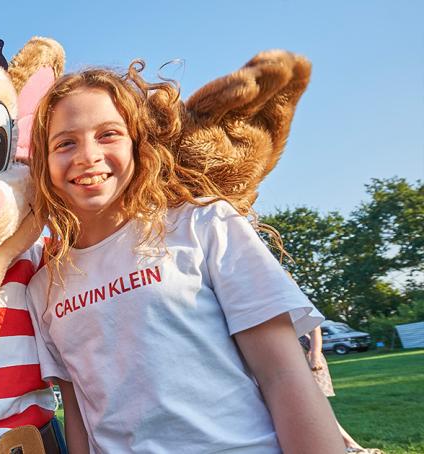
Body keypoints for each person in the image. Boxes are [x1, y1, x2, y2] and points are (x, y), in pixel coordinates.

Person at [24, 64, 346, 453]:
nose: (88, 155)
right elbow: (78, 416)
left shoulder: (206, 223)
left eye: (108, 134)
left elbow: (283, 374)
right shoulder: (44, 286)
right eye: (65, 143)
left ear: (138, 143)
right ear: (44, 164)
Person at [301, 327, 384, 454]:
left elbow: (314, 327)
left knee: (316, 407)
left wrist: (315, 355)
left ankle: (351, 447)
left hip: (305, 357)